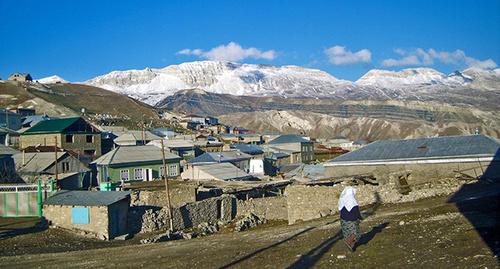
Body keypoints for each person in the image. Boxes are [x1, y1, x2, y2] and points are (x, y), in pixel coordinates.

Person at [338, 186, 363, 252]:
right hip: (352, 219)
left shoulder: (342, 199)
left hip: (343, 219)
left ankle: (349, 245)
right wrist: (360, 218)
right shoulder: (352, 200)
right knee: (355, 233)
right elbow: (356, 210)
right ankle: (349, 243)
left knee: (347, 232)